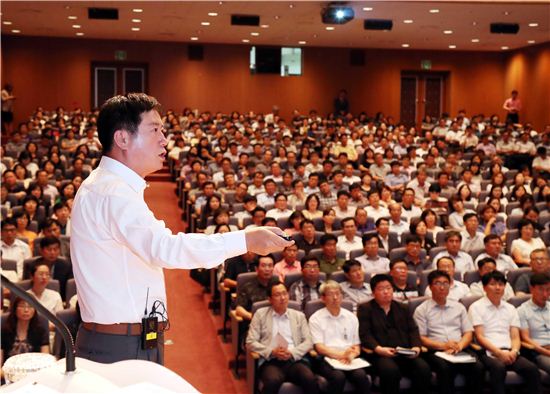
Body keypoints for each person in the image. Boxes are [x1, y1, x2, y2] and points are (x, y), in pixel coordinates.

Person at [70, 94, 292, 364]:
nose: (164, 139)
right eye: (154, 130)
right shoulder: (112, 191)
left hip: (127, 338)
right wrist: (244, 240)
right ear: (123, 139)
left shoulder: (108, 186)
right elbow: (165, 248)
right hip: (121, 345)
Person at [469, 271, 541, 394]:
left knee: (532, 369)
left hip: (510, 351)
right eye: (493, 284)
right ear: (485, 288)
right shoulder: (476, 307)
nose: (498, 288)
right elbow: (479, 336)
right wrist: (498, 353)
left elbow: (515, 337)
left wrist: (514, 351)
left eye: (501, 284)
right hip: (488, 352)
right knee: (498, 368)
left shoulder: (510, 308)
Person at [414, 270, 485, 394]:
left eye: (446, 283)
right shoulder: (422, 310)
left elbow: (468, 333)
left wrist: (459, 346)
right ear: (430, 287)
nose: (442, 287)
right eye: (437, 283)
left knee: (478, 367)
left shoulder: (459, 307)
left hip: (459, 349)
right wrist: (444, 346)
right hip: (435, 351)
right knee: (445, 368)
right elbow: (421, 337)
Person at [358, 274, 431, 394]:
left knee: (423, 368)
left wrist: (416, 347)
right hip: (380, 354)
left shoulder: (403, 307)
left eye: (389, 288)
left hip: (404, 352)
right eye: (381, 289)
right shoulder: (365, 309)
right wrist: (378, 349)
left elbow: (413, 329)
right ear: (373, 292)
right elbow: (365, 334)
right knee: (390, 371)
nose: (386, 292)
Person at [246, 283, 318, 394]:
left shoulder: (299, 316)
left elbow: (309, 342)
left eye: (285, 293)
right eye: (277, 295)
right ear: (270, 299)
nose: (283, 298)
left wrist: (292, 352)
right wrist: (272, 352)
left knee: (309, 378)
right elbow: (250, 342)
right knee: (273, 381)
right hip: (270, 360)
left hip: (294, 359)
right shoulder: (260, 314)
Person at [309, 281, 371, 394]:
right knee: (338, 377)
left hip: (349, 358)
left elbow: (356, 345)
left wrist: (352, 355)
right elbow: (319, 348)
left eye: (338, 293)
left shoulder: (351, 317)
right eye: (331, 294)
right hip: (326, 359)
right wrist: (342, 355)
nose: (335, 297)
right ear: (323, 298)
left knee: (361, 376)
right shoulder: (316, 319)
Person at [1, 297, 49, 379]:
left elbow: (45, 359)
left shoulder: (40, 330)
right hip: (9, 375)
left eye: (30, 306)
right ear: (14, 309)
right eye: (22, 306)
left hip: (34, 376)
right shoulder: (4, 331)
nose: (26, 310)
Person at [517, 273, 550, 374]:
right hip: (539, 352)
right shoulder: (522, 310)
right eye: (541, 289)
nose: (545, 294)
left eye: (548, 290)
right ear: (531, 289)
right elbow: (526, 339)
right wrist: (547, 352)